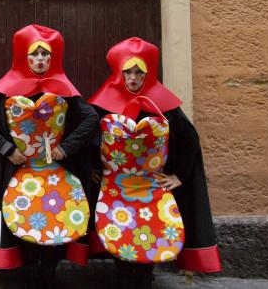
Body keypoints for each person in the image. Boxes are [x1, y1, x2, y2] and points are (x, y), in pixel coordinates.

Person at [78, 37, 222, 289]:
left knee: (149, 230)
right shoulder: (102, 105)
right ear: (118, 73)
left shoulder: (165, 107)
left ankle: (144, 278)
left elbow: (190, 140)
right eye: (127, 72)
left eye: (138, 72)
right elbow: (89, 138)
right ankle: (123, 276)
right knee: (120, 230)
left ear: (148, 74)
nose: (133, 78)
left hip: (150, 188)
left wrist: (180, 176)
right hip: (116, 188)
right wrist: (92, 167)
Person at [0, 25, 99, 289]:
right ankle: (30, 272)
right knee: (25, 221)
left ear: (52, 59)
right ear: (24, 57)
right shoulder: (6, 88)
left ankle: (49, 272)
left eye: (45, 55)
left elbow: (91, 119)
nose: (40, 60)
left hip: (54, 171)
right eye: (34, 55)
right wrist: (7, 149)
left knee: (54, 218)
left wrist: (66, 147)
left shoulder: (64, 89)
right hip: (20, 172)